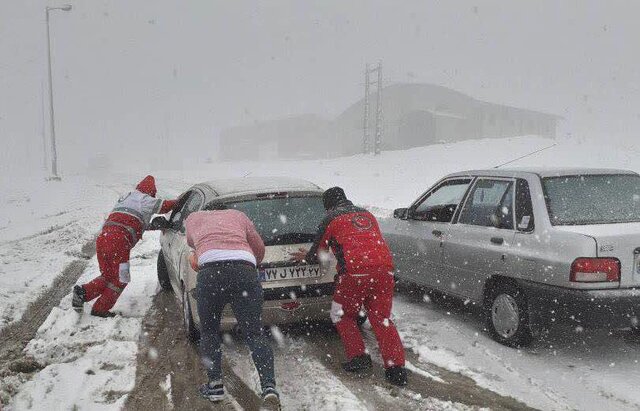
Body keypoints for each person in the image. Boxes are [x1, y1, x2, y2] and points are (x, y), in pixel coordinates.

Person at [290, 187, 407, 386]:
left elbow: (319, 252)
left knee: (341, 314)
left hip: (355, 274)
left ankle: (359, 358)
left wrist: (306, 257)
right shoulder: (366, 214)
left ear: (328, 206)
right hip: (385, 271)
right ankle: (396, 370)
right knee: (382, 319)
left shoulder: (331, 219)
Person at [185, 203, 280, 409]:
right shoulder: (238, 215)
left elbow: (193, 245)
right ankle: (269, 388)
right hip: (243, 269)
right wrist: (251, 265)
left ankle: (216, 386)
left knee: (209, 331)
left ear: (208, 210)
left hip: (210, 273)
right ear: (225, 209)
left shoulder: (194, 218)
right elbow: (259, 248)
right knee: (254, 333)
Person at [72, 175, 177, 317]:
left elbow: (129, 219)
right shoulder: (144, 199)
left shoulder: (126, 197)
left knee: (108, 275)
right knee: (122, 278)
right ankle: (100, 309)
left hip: (103, 238)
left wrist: (150, 226)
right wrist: (181, 200)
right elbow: (166, 206)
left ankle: (83, 292)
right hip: (118, 241)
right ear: (151, 191)